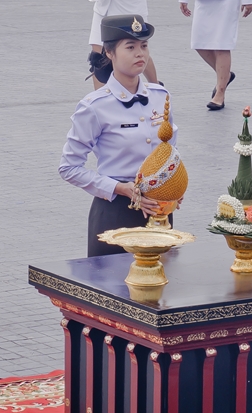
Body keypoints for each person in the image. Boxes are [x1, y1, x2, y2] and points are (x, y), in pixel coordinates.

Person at [59, 14, 172, 257]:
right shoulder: (94, 106)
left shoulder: (160, 96)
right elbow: (69, 168)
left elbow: (170, 152)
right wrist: (120, 188)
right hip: (115, 212)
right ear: (109, 53)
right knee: (113, 291)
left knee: (161, 287)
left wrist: (174, 187)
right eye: (130, 47)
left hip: (158, 210)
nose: (140, 54)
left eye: (144, 46)